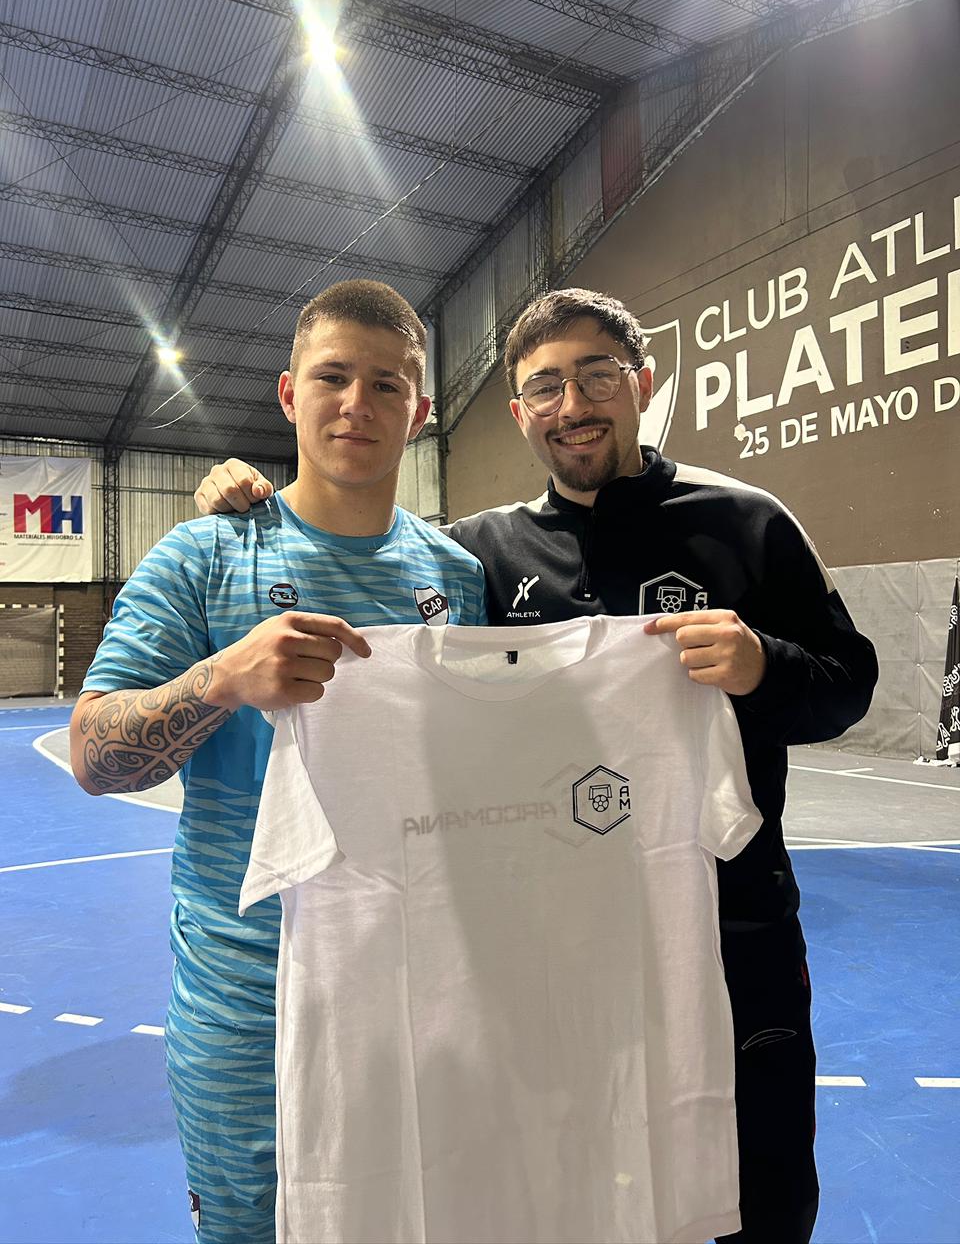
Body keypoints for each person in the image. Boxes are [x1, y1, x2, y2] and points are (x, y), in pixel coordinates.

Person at [200, 286, 879, 1244]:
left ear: (643, 383)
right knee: (572, 1186)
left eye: (598, 375)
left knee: (754, 1194)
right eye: (544, 387)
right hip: (548, 953)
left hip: (727, 931)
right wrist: (251, 501)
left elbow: (851, 680)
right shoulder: (478, 555)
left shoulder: (747, 523)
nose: (574, 405)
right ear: (518, 411)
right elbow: (358, 556)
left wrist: (762, 664)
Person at [70, 280, 487, 1244]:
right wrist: (222, 677)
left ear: (421, 412)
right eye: (332, 377)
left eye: (388, 385)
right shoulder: (204, 557)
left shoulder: (457, 579)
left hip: (415, 990)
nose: (358, 404)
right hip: (248, 1002)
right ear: (290, 396)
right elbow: (94, 755)